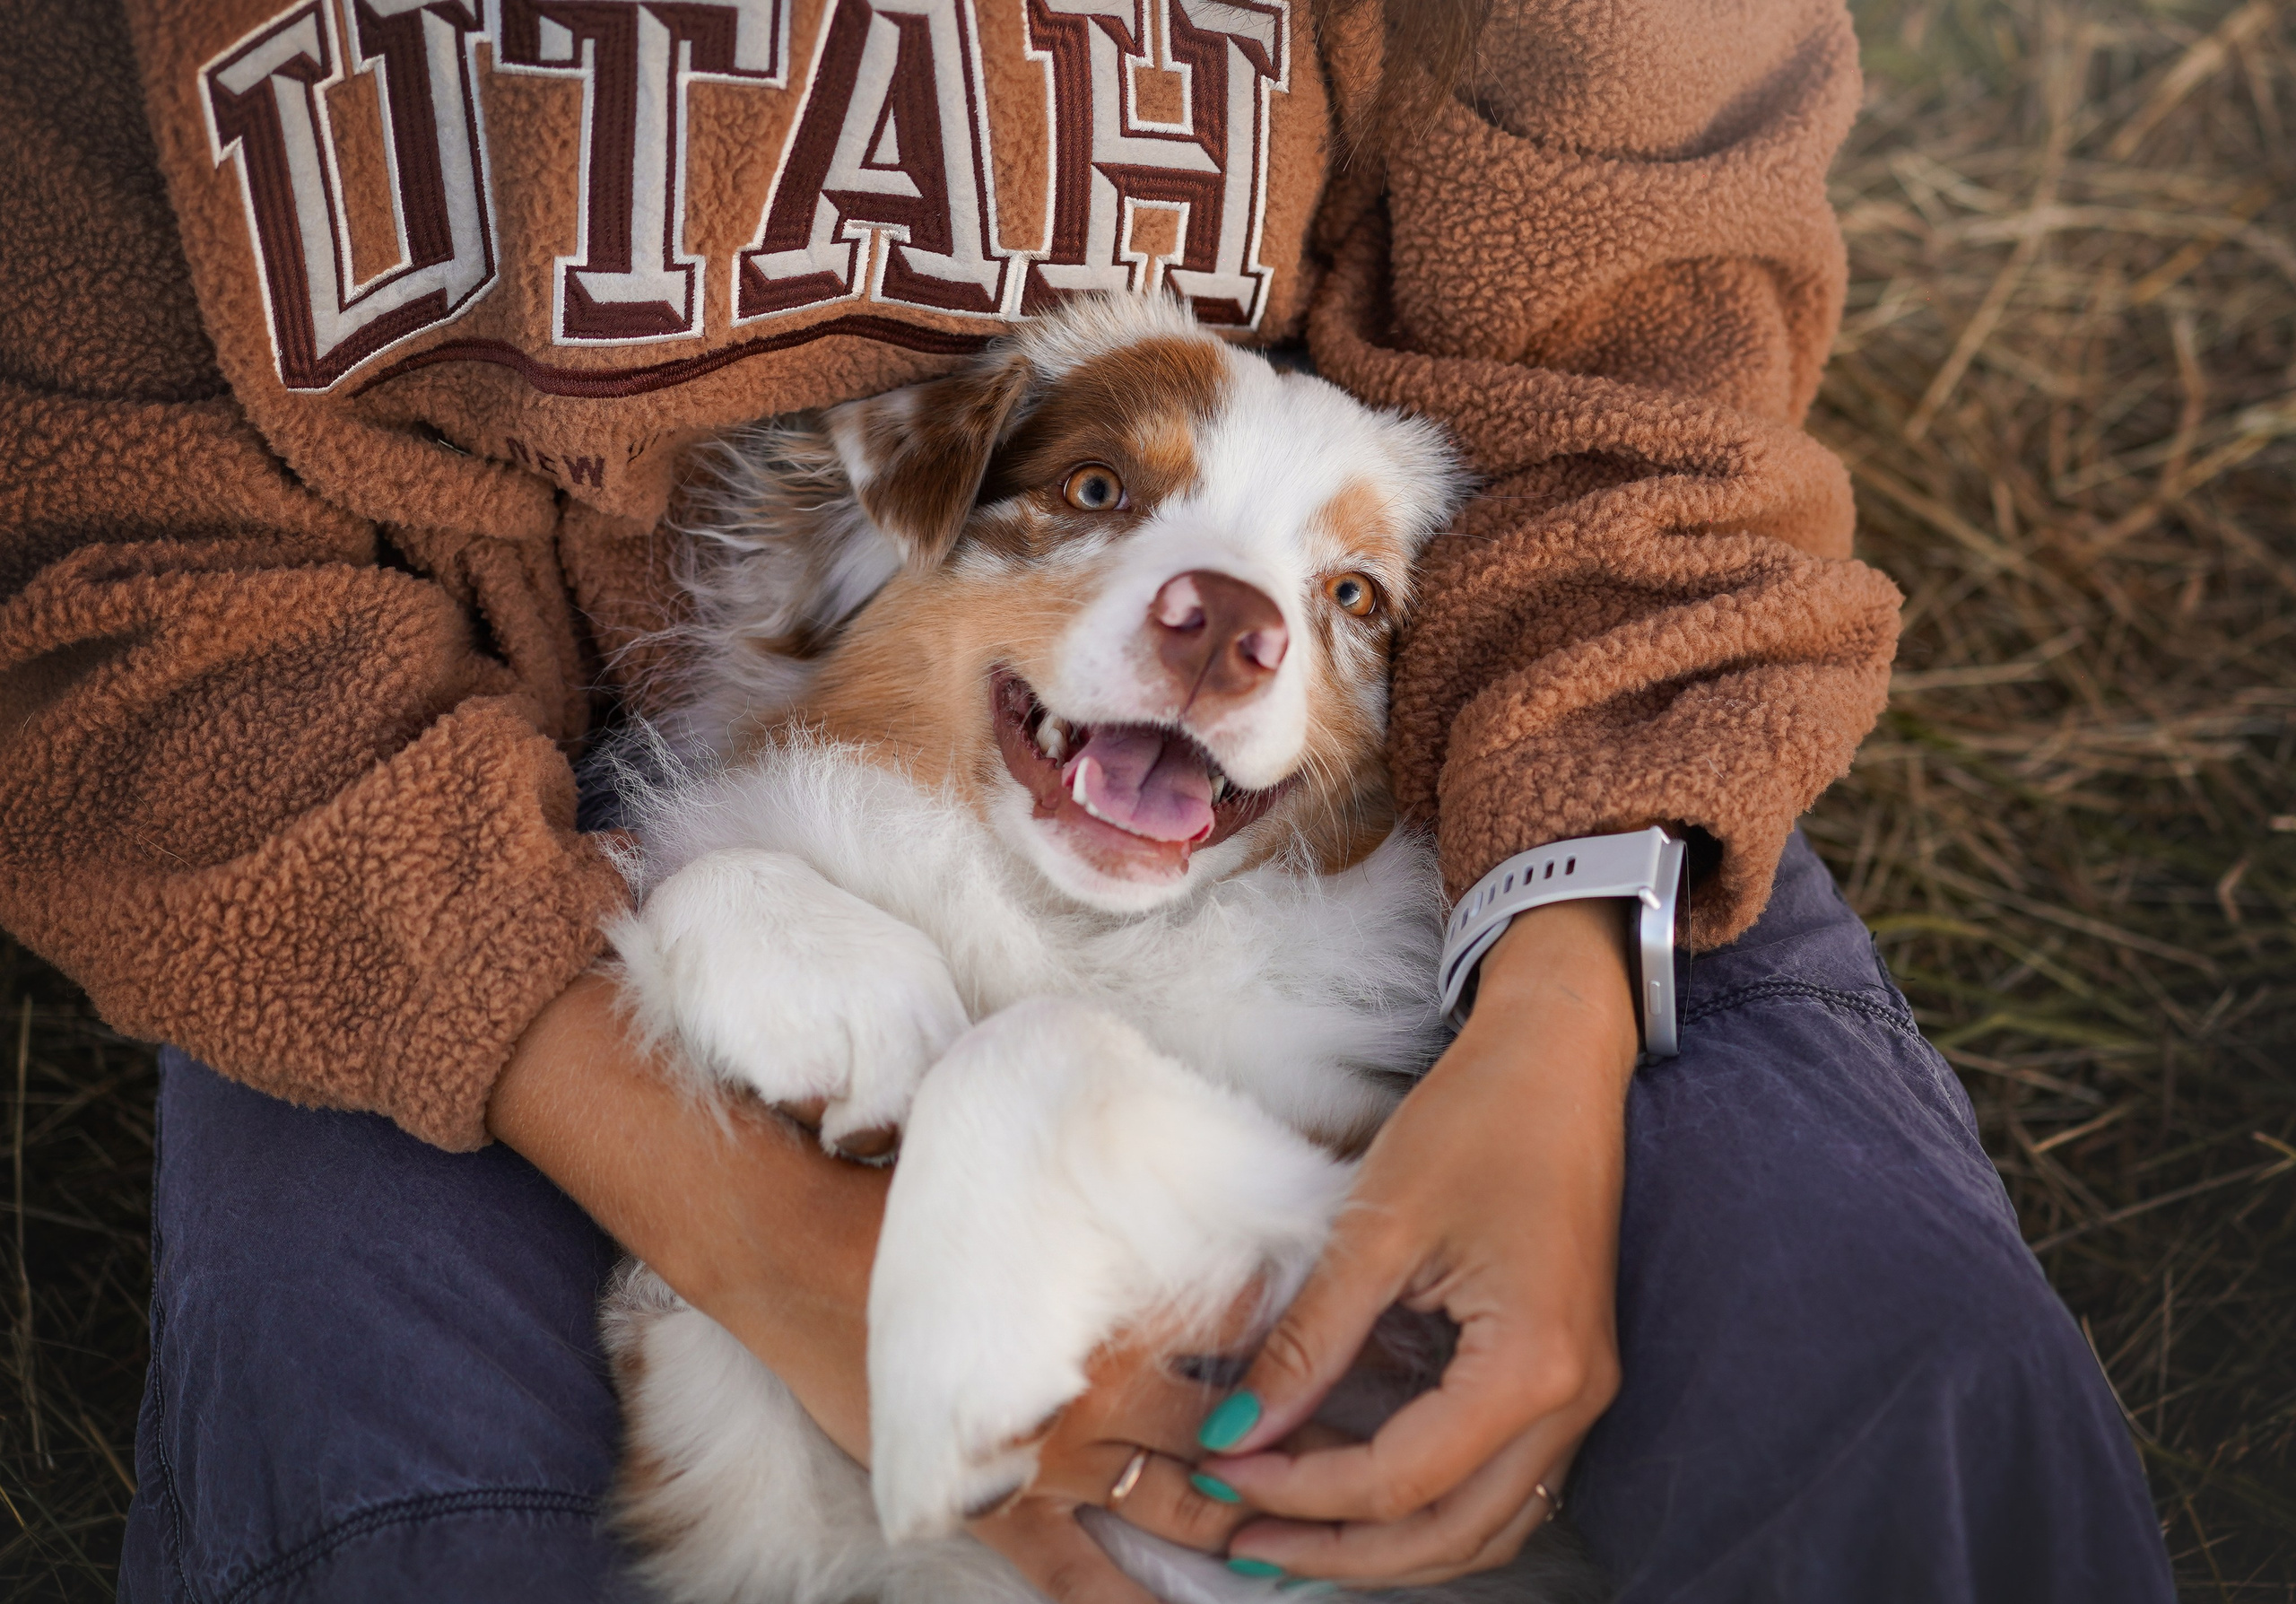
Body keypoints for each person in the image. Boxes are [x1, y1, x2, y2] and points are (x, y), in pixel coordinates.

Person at [0, 0, 2173, 1600]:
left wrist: (1549, 1017)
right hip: (387, 806)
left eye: (1309, 594)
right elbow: (103, 573)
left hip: (1512, 737)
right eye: (1120, 504)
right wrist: (745, 1226)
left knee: (1910, 1390)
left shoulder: (1350, 665)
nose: (1229, 616)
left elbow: (1622, 370)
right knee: (420, 1538)